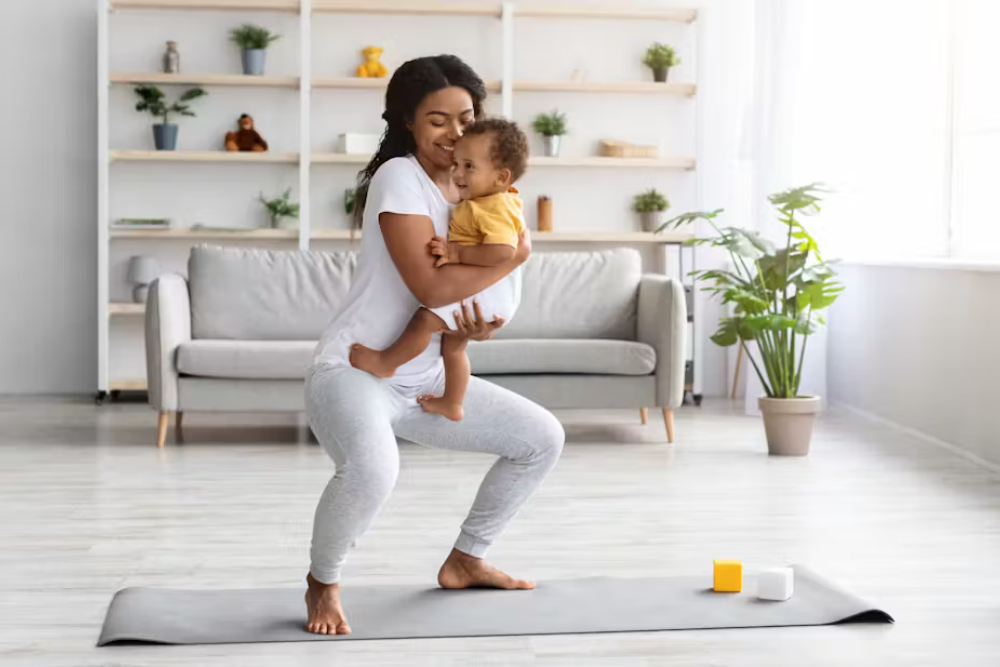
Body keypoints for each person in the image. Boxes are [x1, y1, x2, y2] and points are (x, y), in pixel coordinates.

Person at [304, 54, 565, 636]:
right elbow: (431, 285)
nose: (453, 135)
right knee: (373, 470)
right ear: (406, 123)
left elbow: (460, 294)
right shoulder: (399, 177)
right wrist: (514, 259)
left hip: (424, 378)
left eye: (465, 118)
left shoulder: (476, 186)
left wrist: (474, 326)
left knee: (541, 438)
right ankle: (323, 581)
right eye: (437, 121)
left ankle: (466, 559)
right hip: (355, 369)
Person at [349, 117, 530, 422]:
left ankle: (385, 362)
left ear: (501, 177)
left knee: (424, 320)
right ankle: (453, 402)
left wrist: (457, 252)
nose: (457, 173)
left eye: (469, 167)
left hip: (487, 290)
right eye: (457, 163)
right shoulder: (493, 201)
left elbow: (504, 252)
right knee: (455, 348)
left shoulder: (493, 206)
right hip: (492, 293)